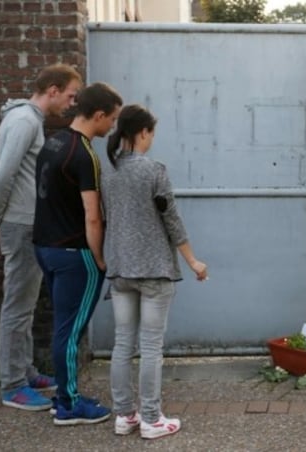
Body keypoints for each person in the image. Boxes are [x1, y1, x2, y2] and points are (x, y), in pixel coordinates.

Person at [0, 64, 83, 411]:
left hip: (27, 223)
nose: (71, 103)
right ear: (52, 89)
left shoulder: (26, 119)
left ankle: (26, 370)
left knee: (25, 304)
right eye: (69, 95)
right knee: (18, 307)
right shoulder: (25, 121)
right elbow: (1, 175)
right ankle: (13, 385)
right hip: (21, 224)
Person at [101, 105, 208, 439]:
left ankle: (124, 416)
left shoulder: (110, 173)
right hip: (154, 271)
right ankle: (151, 419)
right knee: (150, 347)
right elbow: (170, 218)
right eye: (151, 133)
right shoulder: (154, 170)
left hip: (120, 270)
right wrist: (193, 261)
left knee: (122, 346)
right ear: (143, 132)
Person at [33, 82, 123, 426]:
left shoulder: (54, 141)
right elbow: (92, 214)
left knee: (63, 328)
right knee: (69, 333)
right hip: (74, 254)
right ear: (98, 115)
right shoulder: (84, 154)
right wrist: (99, 258)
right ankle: (68, 404)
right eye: (111, 119)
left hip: (46, 247)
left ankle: (65, 395)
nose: (112, 126)